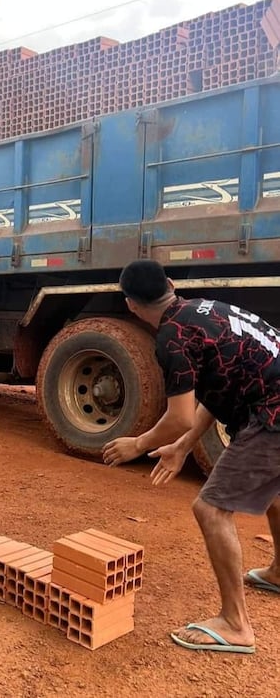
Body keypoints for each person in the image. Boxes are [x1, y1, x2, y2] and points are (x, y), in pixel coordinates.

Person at [102, 259, 280, 655]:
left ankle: (236, 625)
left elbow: (178, 415)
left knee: (211, 509)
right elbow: (220, 389)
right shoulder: (203, 311)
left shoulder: (172, 338)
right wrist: (182, 447)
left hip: (274, 412)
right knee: (272, 488)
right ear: (169, 283)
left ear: (130, 305)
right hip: (272, 400)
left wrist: (139, 443)